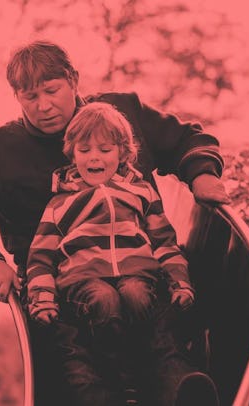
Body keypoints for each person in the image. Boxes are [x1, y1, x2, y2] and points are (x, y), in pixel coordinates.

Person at [0, 41, 228, 405]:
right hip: (61, 292)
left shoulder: (122, 114)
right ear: (17, 97)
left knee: (164, 345)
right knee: (81, 373)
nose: (43, 106)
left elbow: (187, 139)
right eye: (30, 96)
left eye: (52, 91)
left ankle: (184, 393)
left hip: (142, 274)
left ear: (73, 80)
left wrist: (201, 174)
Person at [26, 101, 208, 403]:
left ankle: (167, 385)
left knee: (137, 295)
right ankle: (120, 384)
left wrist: (180, 281)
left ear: (123, 153)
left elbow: (164, 241)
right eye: (84, 150)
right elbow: (40, 256)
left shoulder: (141, 192)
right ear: (72, 153)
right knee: (104, 300)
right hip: (84, 283)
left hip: (137, 275)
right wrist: (42, 298)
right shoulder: (60, 204)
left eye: (104, 149)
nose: (94, 157)